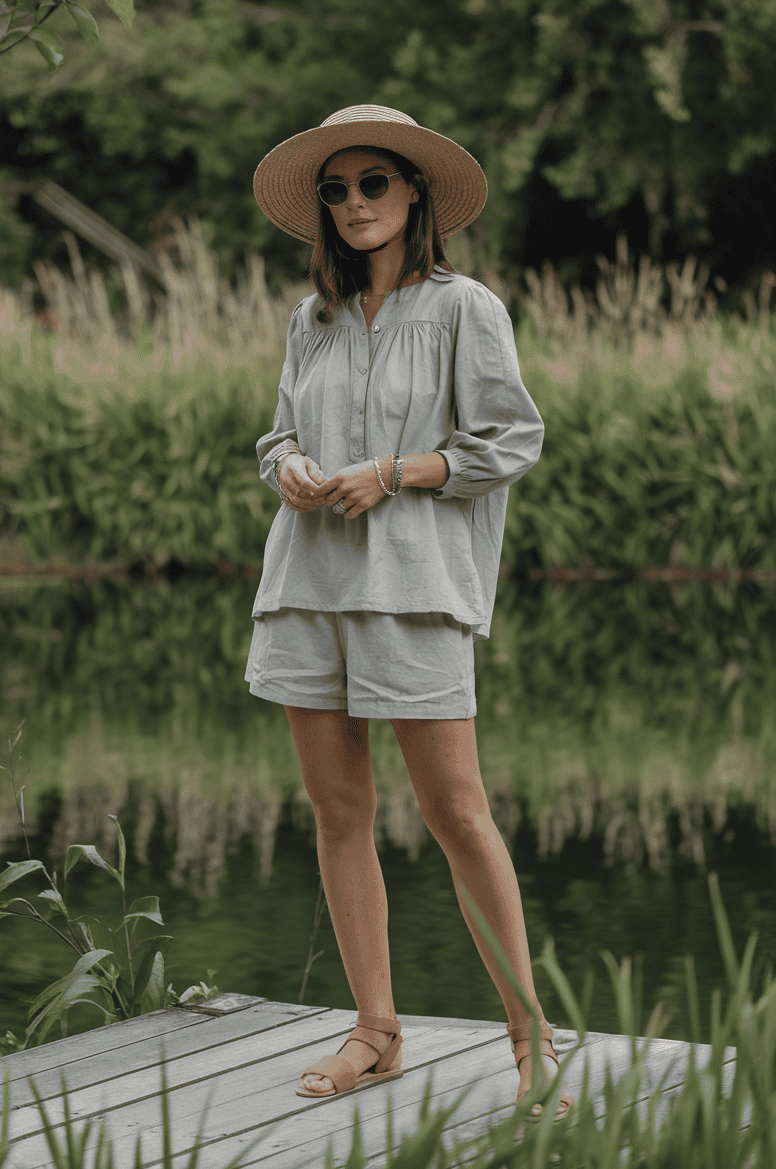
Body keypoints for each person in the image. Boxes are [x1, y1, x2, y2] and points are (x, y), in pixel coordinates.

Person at [247, 104, 573, 1120]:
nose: (351, 204)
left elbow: (509, 440)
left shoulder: (464, 306)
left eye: (372, 184)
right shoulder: (313, 320)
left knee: (456, 812)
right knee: (338, 810)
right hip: (307, 585)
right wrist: (291, 466)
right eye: (335, 190)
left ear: (415, 194)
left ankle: (531, 1043)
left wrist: (396, 471)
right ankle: (375, 1029)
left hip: (413, 591)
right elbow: (275, 439)